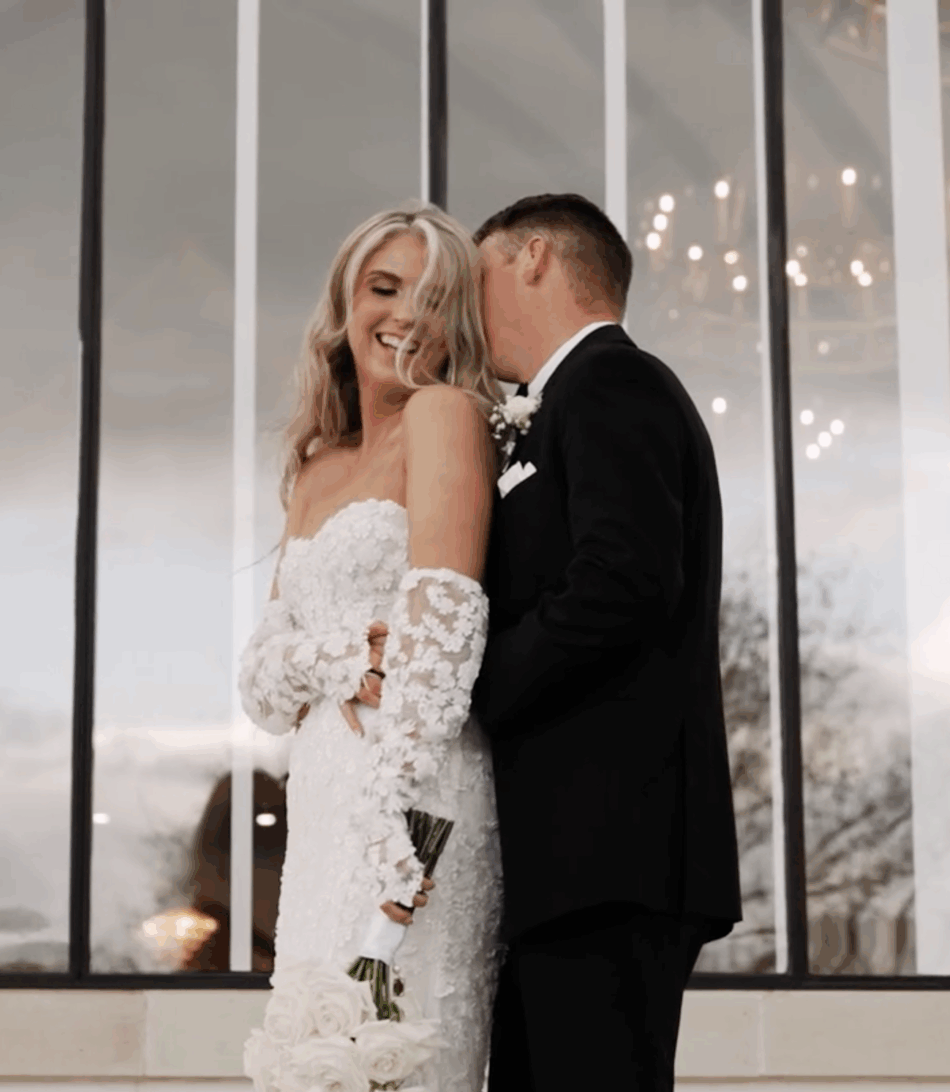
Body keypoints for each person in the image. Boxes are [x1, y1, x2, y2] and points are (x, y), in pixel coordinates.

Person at [467, 193, 742, 1091]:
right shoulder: (556, 405)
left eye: (477, 276)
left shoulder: (613, 383)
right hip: (571, 864)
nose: (463, 309)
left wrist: (472, 685)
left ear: (534, 257)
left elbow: (622, 581)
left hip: (612, 851)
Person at [234, 202, 504, 1089]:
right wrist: (344, 657)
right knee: (316, 1043)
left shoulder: (447, 414)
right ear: (343, 306)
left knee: (396, 1033)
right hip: (319, 794)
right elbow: (261, 682)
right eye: (383, 289)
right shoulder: (316, 464)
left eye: (432, 297)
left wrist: (399, 839)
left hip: (407, 792)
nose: (406, 316)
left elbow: (445, 617)